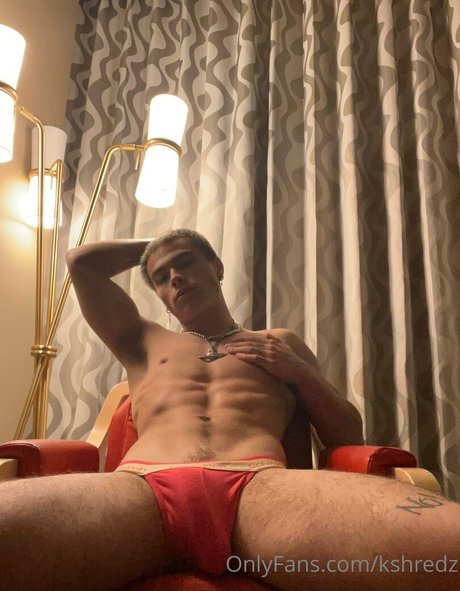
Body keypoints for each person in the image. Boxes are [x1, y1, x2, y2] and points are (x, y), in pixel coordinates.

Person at [1, 228, 459, 591]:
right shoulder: (141, 341)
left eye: (186, 262)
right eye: (161, 276)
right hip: (140, 491)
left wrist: (300, 373)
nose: (175, 277)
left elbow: (347, 436)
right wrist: (162, 241)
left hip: (260, 493)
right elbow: (81, 262)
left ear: (217, 267)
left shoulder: (278, 343)